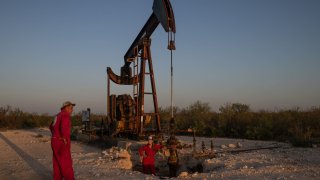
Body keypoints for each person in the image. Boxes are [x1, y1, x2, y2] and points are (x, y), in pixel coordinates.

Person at [50, 101, 76, 180]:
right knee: (66, 164)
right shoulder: (65, 115)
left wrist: (56, 135)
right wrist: (64, 139)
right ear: (66, 108)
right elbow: (64, 128)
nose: (72, 110)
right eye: (71, 108)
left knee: (57, 163)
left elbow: (51, 127)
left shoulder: (57, 115)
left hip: (54, 141)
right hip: (61, 142)